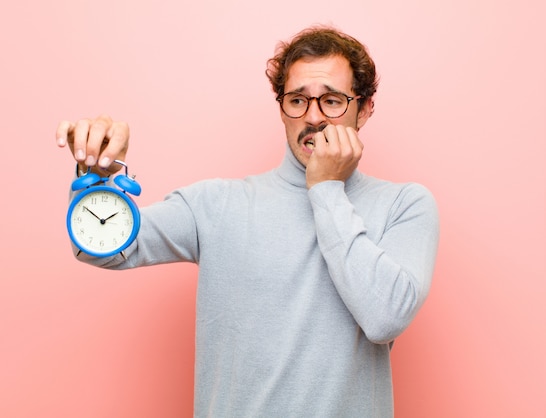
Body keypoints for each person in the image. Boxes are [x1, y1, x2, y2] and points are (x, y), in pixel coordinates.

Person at [56, 25, 439, 418]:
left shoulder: (404, 205)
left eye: (332, 101)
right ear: (281, 108)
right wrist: (95, 169)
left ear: (365, 108)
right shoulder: (216, 204)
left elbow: (385, 318)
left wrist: (325, 189)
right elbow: (100, 250)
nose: (313, 117)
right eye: (297, 100)